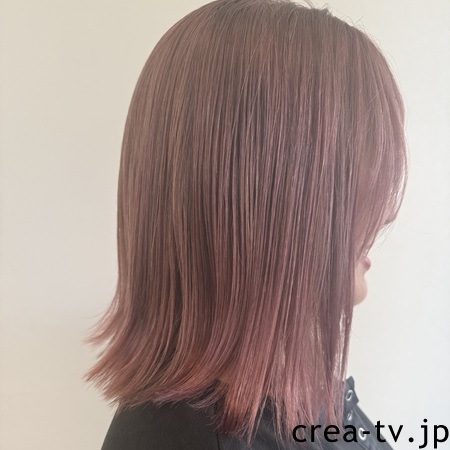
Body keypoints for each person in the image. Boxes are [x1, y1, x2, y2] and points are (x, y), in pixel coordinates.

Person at [85, 0, 407, 448]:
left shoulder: (290, 386)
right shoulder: (186, 437)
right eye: (356, 176)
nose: (385, 213)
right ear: (277, 198)